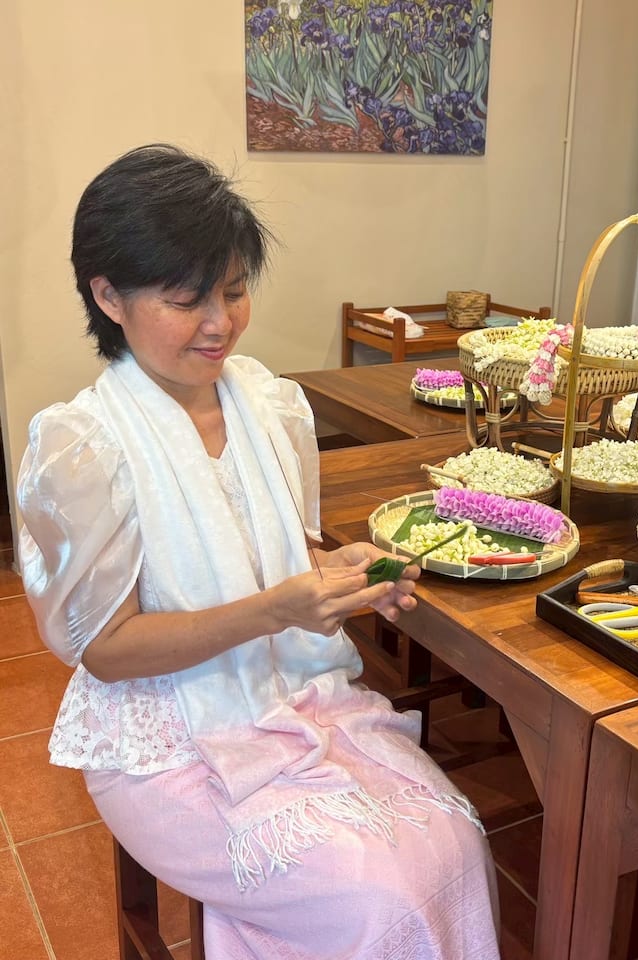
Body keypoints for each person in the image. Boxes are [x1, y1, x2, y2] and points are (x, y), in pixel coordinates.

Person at [16, 144, 500, 959]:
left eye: (235, 291)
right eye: (187, 300)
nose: (221, 324)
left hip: (294, 694)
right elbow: (107, 650)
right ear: (108, 296)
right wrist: (276, 609)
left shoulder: (268, 405)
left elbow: (286, 556)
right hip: (165, 737)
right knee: (378, 900)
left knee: (454, 842)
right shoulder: (86, 446)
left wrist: (341, 580)